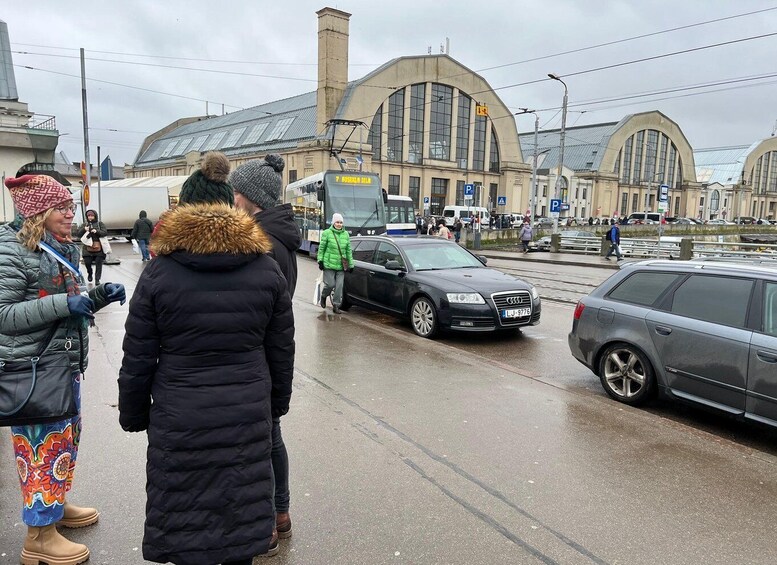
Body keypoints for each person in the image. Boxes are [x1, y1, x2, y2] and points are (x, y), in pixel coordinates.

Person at [118, 152, 294, 565]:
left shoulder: (159, 273)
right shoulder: (265, 270)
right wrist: (275, 405)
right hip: (246, 412)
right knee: (241, 512)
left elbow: (138, 354)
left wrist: (134, 413)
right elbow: (281, 350)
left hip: (179, 415)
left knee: (186, 518)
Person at [1, 174, 125, 565]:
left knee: (63, 442)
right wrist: (63, 306)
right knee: (40, 447)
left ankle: (54, 507)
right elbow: (3, 315)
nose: (71, 214)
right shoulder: (11, 249)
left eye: (71, 207)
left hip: (61, 364)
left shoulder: (56, 247)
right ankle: (38, 536)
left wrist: (98, 296)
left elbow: (67, 303)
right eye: (62, 208)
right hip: (32, 370)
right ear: (37, 211)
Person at [230, 154, 299, 541]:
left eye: (237, 193)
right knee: (272, 436)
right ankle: (281, 511)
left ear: (251, 197)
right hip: (271, 347)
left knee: (265, 439)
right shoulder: (279, 235)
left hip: (260, 351)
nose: (233, 200)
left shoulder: (263, 243)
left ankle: (271, 518)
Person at [317, 212, 353, 314]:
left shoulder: (345, 234)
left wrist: (351, 265)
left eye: (341, 222)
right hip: (329, 264)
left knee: (339, 286)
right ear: (333, 222)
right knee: (330, 285)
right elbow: (321, 248)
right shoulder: (327, 233)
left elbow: (348, 251)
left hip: (341, 266)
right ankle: (324, 296)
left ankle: (336, 305)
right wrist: (320, 261)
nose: (339, 224)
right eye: (337, 222)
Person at [77, 209, 108, 285]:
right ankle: (89, 273)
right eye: (89, 216)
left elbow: (105, 233)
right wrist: (84, 229)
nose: (90, 217)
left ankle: (97, 279)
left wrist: (96, 231)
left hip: (99, 248)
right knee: (87, 263)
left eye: (92, 216)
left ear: (95, 216)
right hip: (87, 248)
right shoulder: (85, 224)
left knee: (99, 264)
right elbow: (78, 234)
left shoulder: (100, 224)